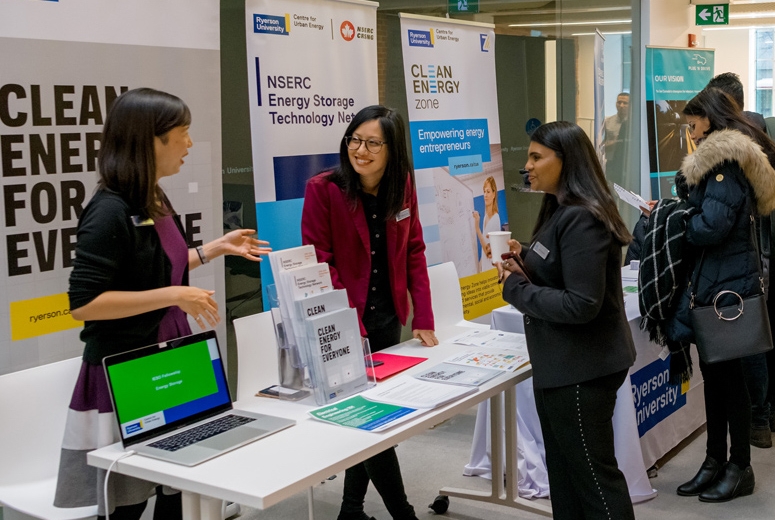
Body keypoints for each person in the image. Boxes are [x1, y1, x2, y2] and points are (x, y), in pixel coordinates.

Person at [53, 88, 270, 519]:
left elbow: (158, 268)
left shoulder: (152, 197)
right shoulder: (108, 210)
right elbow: (86, 303)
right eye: (182, 133)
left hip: (170, 353)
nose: (189, 144)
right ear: (150, 140)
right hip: (128, 368)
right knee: (128, 502)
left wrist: (214, 249)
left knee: (180, 487)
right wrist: (174, 296)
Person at [301, 104, 438, 520]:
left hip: (387, 317)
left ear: (392, 149)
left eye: (372, 143)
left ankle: (350, 509)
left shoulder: (403, 187)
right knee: (374, 423)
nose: (360, 150)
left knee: (372, 420)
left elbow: (413, 249)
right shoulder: (323, 189)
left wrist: (424, 318)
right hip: (344, 323)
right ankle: (403, 513)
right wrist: (350, 326)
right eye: (354, 140)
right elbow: (321, 264)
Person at [499, 121, 636, 520]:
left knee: (594, 481)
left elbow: (581, 304)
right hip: (562, 366)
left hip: (582, 369)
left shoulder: (583, 217)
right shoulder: (560, 209)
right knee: (565, 476)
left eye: (537, 157)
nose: (529, 166)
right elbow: (561, 266)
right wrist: (524, 257)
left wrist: (515, 289)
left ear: (567, 160)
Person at [667, 87, 775, 502]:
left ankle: (740, 467)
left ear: (709, 119)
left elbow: (711, 226)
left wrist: (677, 220)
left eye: (692, 121)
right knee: (716, 380)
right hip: (717, 282)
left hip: (727, 289)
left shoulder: (723, 163)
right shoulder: (717, 162)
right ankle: (714, 461)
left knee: (730, 384)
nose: (689, 130)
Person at [708, 71, 773, 449]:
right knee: (755, 337)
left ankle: (758, 419)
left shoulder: (737, 145)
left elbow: (720, 217)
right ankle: (762, 417)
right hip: (758, 252)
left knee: (747, 341)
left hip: (747, 256)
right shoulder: (758, 133)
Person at [473, 175, 501, 271]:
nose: (485, 195)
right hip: (485, 267)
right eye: (484, 191)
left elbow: (488, 252)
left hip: (491, 269)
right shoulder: (485, 218)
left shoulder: (495, 219)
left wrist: (477, 227)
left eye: (488, 192)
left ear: (494, 194)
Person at [604, 92, 630, 159]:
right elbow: (601, 146)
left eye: (625, 103)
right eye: (619, 102)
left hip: (627, 162)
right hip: (610, 161)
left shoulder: (634, 125)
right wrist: (613, 142)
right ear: (616, 104)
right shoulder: (607, 122)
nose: (621, 105)